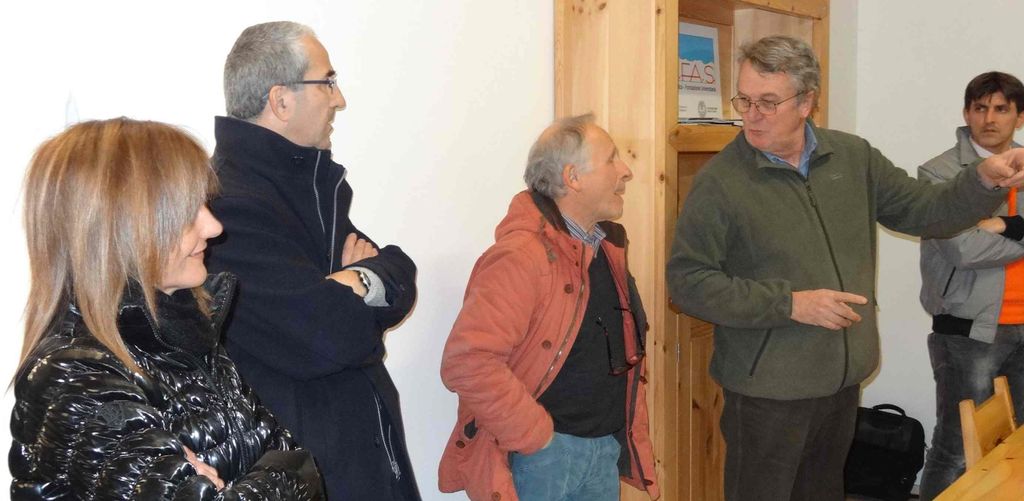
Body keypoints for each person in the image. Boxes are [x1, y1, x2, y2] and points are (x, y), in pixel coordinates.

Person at [666, 36, 1024, 501]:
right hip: (768, 391)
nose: (751, 115)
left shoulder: (853, 158)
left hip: (840, 381)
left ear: (806, 102)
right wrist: (789, 304)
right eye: (745, 100)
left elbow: (926, 210)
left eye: (768, 102)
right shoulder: (721, 182)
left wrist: (981, 180)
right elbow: (688, 282)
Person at [9, 118, 323, 500]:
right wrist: (288, 474)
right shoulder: (75, 376)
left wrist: (255, 480)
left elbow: (289, 455)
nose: (214, 227)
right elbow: (295, 467)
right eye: (187, 211)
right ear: (119, 228)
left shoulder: (185, 336)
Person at [205, 21, 420, 500]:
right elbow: (327, 338)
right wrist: (357, 301)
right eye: (327, 82)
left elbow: (398, 271)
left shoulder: (312, 188)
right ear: (281, 101)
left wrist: (354, 282)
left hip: (359, 464)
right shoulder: (230, 208)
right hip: (309, 478)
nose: (339, 99)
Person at [438, 114, 659, 501]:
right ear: (573, 177)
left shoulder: (606, 249)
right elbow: (467, 361)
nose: (625, 171)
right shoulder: (522, 256)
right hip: (544, 459)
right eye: (611, 159)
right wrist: (537, 437)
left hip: (602, 451)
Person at [917, 71, 1024, 500]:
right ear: (966, 113)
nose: (989, 119)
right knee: (957, 450)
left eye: (1001, 109)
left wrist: (1007, 226)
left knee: (1015, 450)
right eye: (980, 108)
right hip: (969, 331)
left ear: (1019, 116)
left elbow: (985, 239)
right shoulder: (940, 173)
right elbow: (962, 248)